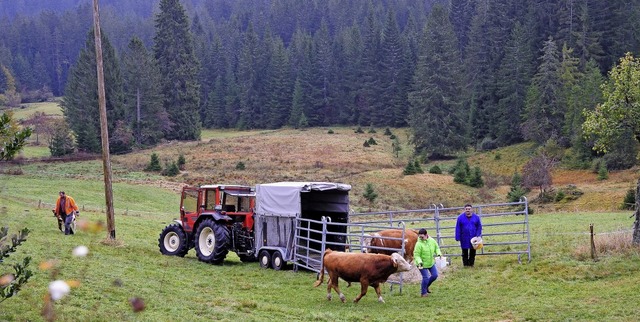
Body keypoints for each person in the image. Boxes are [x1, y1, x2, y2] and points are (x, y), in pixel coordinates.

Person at [413, 228, 442, 297]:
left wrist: (439, 253)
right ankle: (423, 293)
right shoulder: (418, 244)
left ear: (426, 235)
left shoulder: (432, 241)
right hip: (420, 264)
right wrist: (420, 262)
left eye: (422, 237)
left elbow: (437, 248)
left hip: (430, 262)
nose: (421, 238)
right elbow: (416, 255)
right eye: (420, 237)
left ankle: (425, 286)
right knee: (425, 277)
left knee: (435, 275)